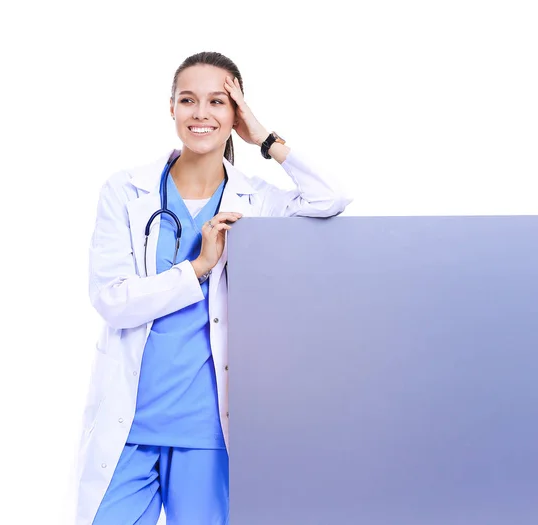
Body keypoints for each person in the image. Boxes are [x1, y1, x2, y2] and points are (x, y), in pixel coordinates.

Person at [73, 51, 353, 525]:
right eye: (188, 100)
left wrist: (265, 138)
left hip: (205, 429)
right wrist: (199, 267)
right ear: (171, 109)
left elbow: (331, 198)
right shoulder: (126, 191)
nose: (200, 113)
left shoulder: (257, 200)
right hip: (128, 426)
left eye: (218, 102)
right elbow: (112, 300)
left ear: (236, 113)